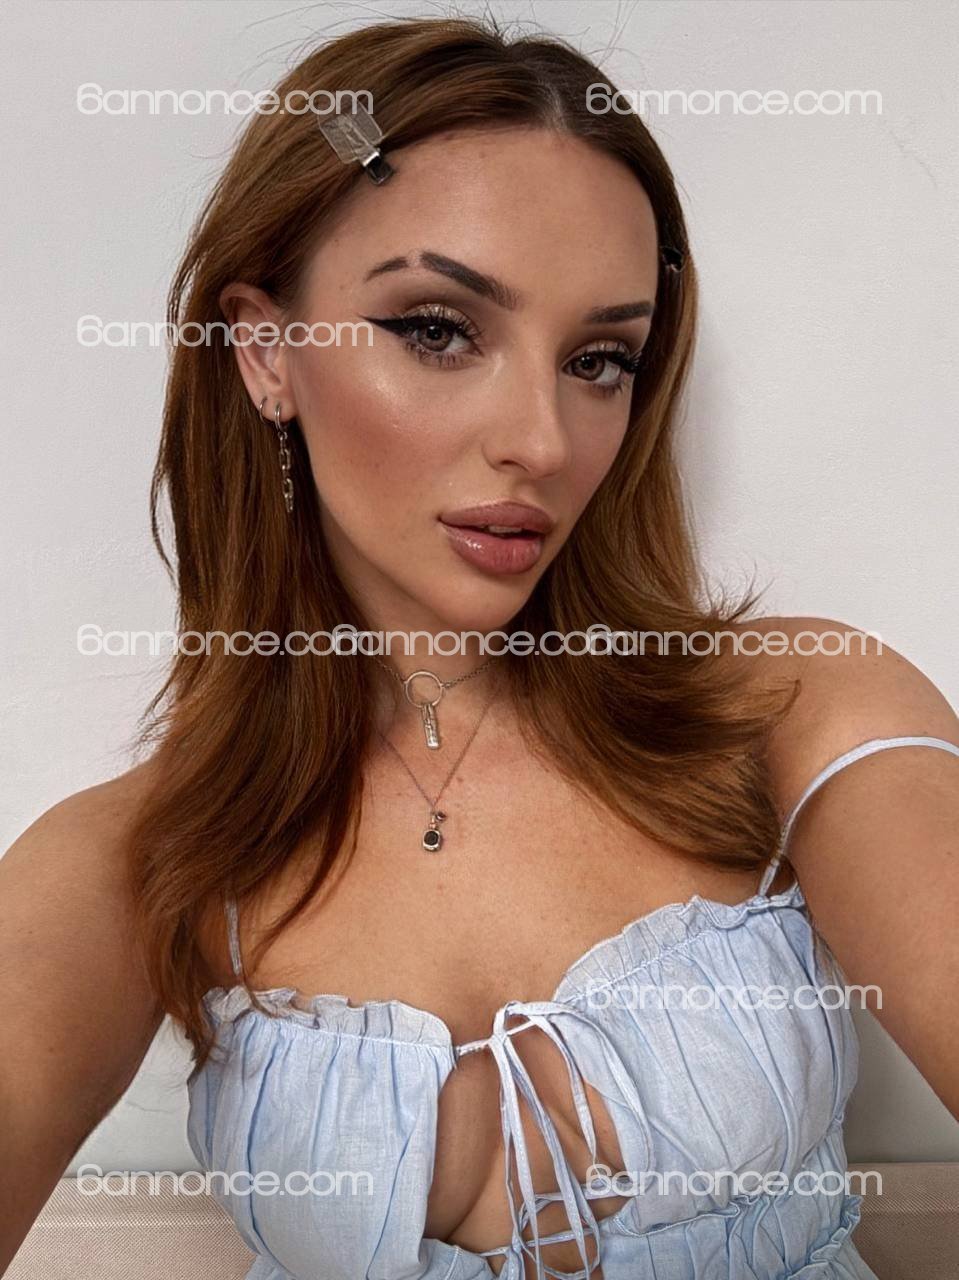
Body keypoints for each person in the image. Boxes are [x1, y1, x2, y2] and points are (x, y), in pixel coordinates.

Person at [2, 15, 957, 1280]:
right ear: (266, 349)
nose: (542, 441)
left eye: (597, 359)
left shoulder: (796, 712)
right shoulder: (140, 859)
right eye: (438, 329)